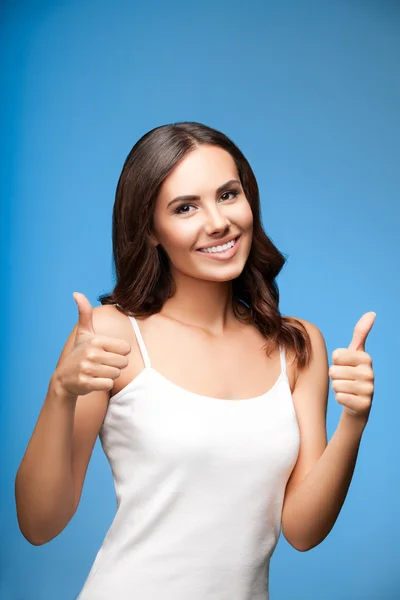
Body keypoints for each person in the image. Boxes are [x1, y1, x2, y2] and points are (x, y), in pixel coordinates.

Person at [15, 122, 375, 600]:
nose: (218, 222)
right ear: (150, 231)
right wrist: (60, 395)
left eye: (228, 195)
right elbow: (39, 525)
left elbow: (303, 531)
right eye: (186, 207)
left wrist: (354, 420)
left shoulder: (297, 345)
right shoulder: (112, 334)